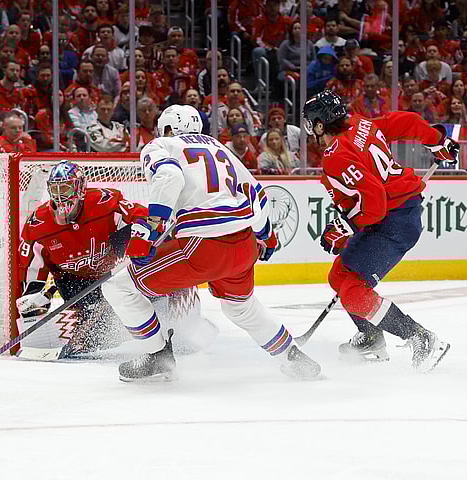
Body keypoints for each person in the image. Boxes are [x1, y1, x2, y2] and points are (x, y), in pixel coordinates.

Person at [100, 105, 321, 382]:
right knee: (242, 307)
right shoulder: (219, 146)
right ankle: (293, 356)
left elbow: (169, 177)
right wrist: (266, 235)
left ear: (166, 128)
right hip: (244, 244)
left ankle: (158, 357)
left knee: (119, 287)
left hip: (204, 246)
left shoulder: (161, 145)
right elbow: (256, 191)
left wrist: (150, 232)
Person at [302, 90, 457, 372]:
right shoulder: (360, 123)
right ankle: (372, 337)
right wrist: (435, 140)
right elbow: (403, 121)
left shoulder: (336, 155)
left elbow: (374, 202)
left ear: (320, 124)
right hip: (391, 215)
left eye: (311, 123)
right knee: (339, 276)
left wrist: (345, 226)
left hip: (394, 220)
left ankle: (422, 338)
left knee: (353, 294)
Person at [16, 160, 210, 359]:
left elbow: (142, 217)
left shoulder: (104, 202)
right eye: (55, 189)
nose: (60, 196)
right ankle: (94, 325)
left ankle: (181, 321)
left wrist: (144, 239)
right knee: (96, 334)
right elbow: (31, 272)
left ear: (80, 187)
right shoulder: (37, 224)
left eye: (65, 188)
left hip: (109, 275)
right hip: (75, 285)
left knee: (157, 267)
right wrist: (33, 296)